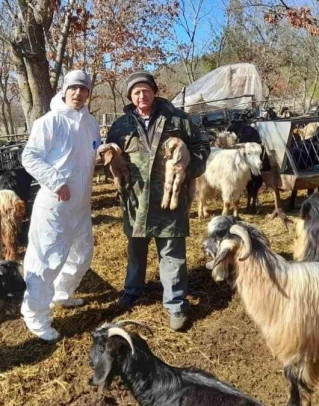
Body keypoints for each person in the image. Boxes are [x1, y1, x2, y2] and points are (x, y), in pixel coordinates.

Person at [104, 71, 210, 331]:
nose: (142, 95)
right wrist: (111, 162)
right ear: (130, 96)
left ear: (154, 91)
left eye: (146, 90)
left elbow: (202, 145)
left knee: (172, 252)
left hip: (169, 197)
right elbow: (109, 156)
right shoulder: (121, 125)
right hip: (136, 199)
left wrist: (189, 167)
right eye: (136, 92)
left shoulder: (178, 119)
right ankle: (133, 291)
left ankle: (175, 303)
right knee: (135, 250)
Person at [20, 70, 101, 342]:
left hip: (81, 205)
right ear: (64, 90)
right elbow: (30, 157)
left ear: (88, 93)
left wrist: (104, 152)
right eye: (73, 88)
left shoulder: (90, 123)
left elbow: (91, 153)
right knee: (46, 260)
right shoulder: (49, 121)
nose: (78, 93)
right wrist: (56, 181)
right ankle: (35, 317)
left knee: (82, 254)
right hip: (55, 205)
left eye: (83, 89)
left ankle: (62, 293)